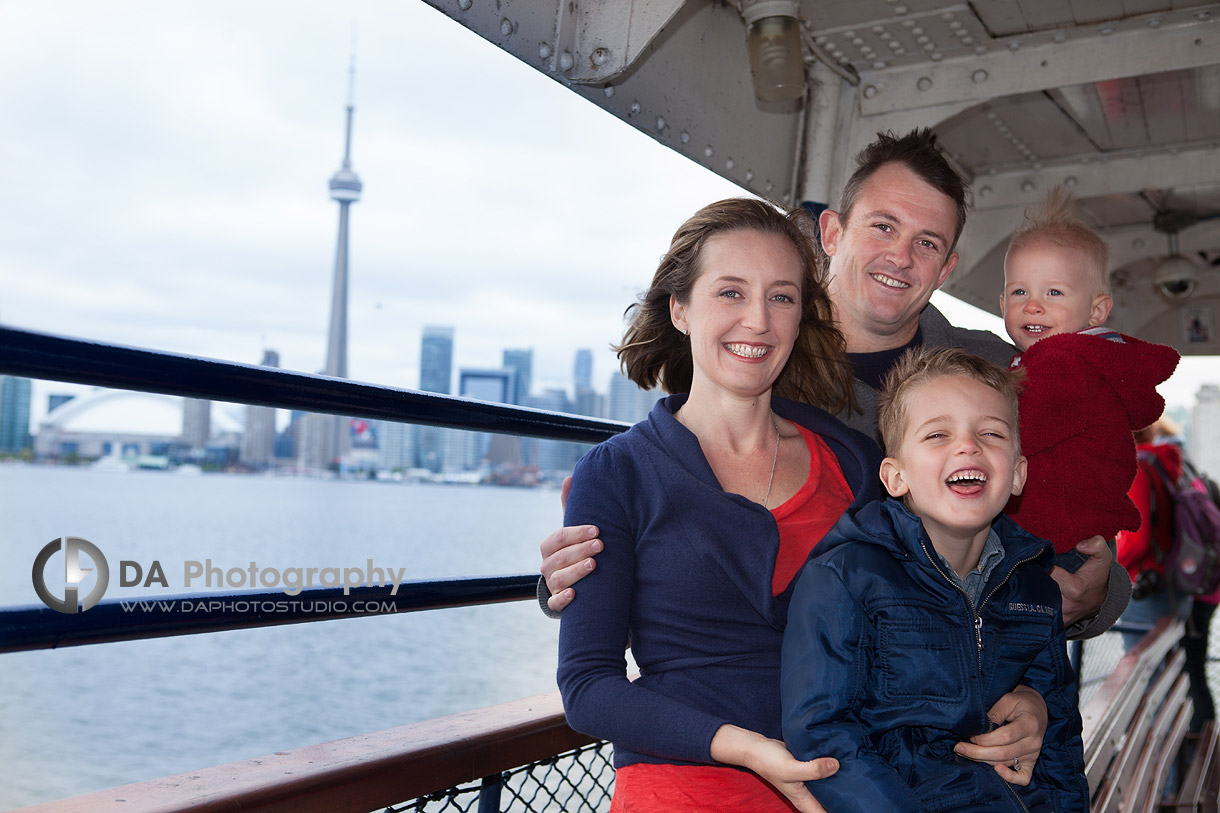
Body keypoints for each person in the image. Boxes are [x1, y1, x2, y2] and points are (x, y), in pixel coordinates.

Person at [544, 129, 1122, 640]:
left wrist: (1101, 594)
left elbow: (1078, 496)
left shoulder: (1006, 372)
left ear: (946, 269)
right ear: (831, 232)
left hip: (968, 682)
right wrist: (566, 576)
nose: (900, 256)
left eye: (927, 243)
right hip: (807, 688)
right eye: (883, 226)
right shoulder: (756, 357)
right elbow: (664, 504)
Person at [557, 198, 883, 812]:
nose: (758, 320)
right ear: (680, 309)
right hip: (686, 781)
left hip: (848, 779)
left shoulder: (854, 462)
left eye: (781, 297)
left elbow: (914, 618)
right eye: (731, 292)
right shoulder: (618, 472)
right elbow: (587, 688)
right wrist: (745, 749)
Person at [781, 347, 1088, 812]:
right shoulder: (845, 577)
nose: (968, 446)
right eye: (938, 434)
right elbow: (823, 732)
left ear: (1019, 473)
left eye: (991, 432)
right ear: (895, 476)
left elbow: (1060, 733)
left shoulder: (1035, 591)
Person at [998, 187, 1179, 574]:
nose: (1033, 304)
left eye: (1054, 292)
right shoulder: (1073, 360)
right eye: (1019, 291)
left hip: (1046, 539)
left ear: (1096, 310)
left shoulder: (1068, 365)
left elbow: (1009, 432)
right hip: (1061, 536)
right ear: (1002, 304)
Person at [1117, 422, 1193, 651]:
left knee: (1141, 670)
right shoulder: (1160, 463)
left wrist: (1108, 569)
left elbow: (1137, 540)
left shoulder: (1137, 470)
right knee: (1163, 663)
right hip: (1171, 582)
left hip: (1146, 586)